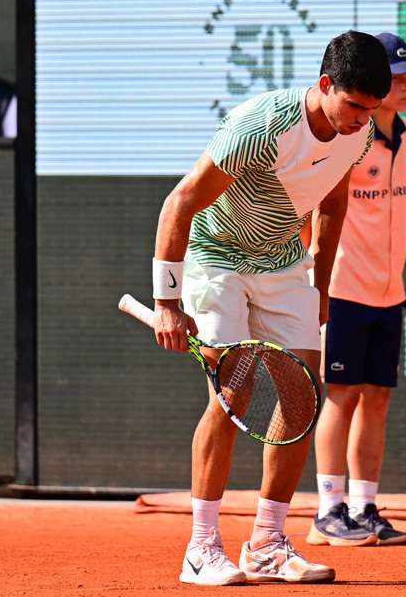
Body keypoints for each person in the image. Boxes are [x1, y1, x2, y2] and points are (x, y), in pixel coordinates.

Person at [148, 31, 391, 585]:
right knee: (232, 394)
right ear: (325, 85)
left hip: (282, 261)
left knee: (301, 398)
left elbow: (331, 203)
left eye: (370, 110)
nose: (361, 120)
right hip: (215, 259)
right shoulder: (261, 126)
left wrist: (321, 285)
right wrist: (167, 302)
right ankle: (201, 548)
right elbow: (180, 201)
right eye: (354, 105)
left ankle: (266, 544)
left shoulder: (360, 132)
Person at [307, 32, 406, 548]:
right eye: (398, 79)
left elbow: (397, 214)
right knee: (342, 396)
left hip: (389, 293)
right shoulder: (348, 141)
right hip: (342, 289)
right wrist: (313, 282)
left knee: (376, 398)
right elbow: (316, 212)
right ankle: (328, 510)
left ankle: (364, 506)